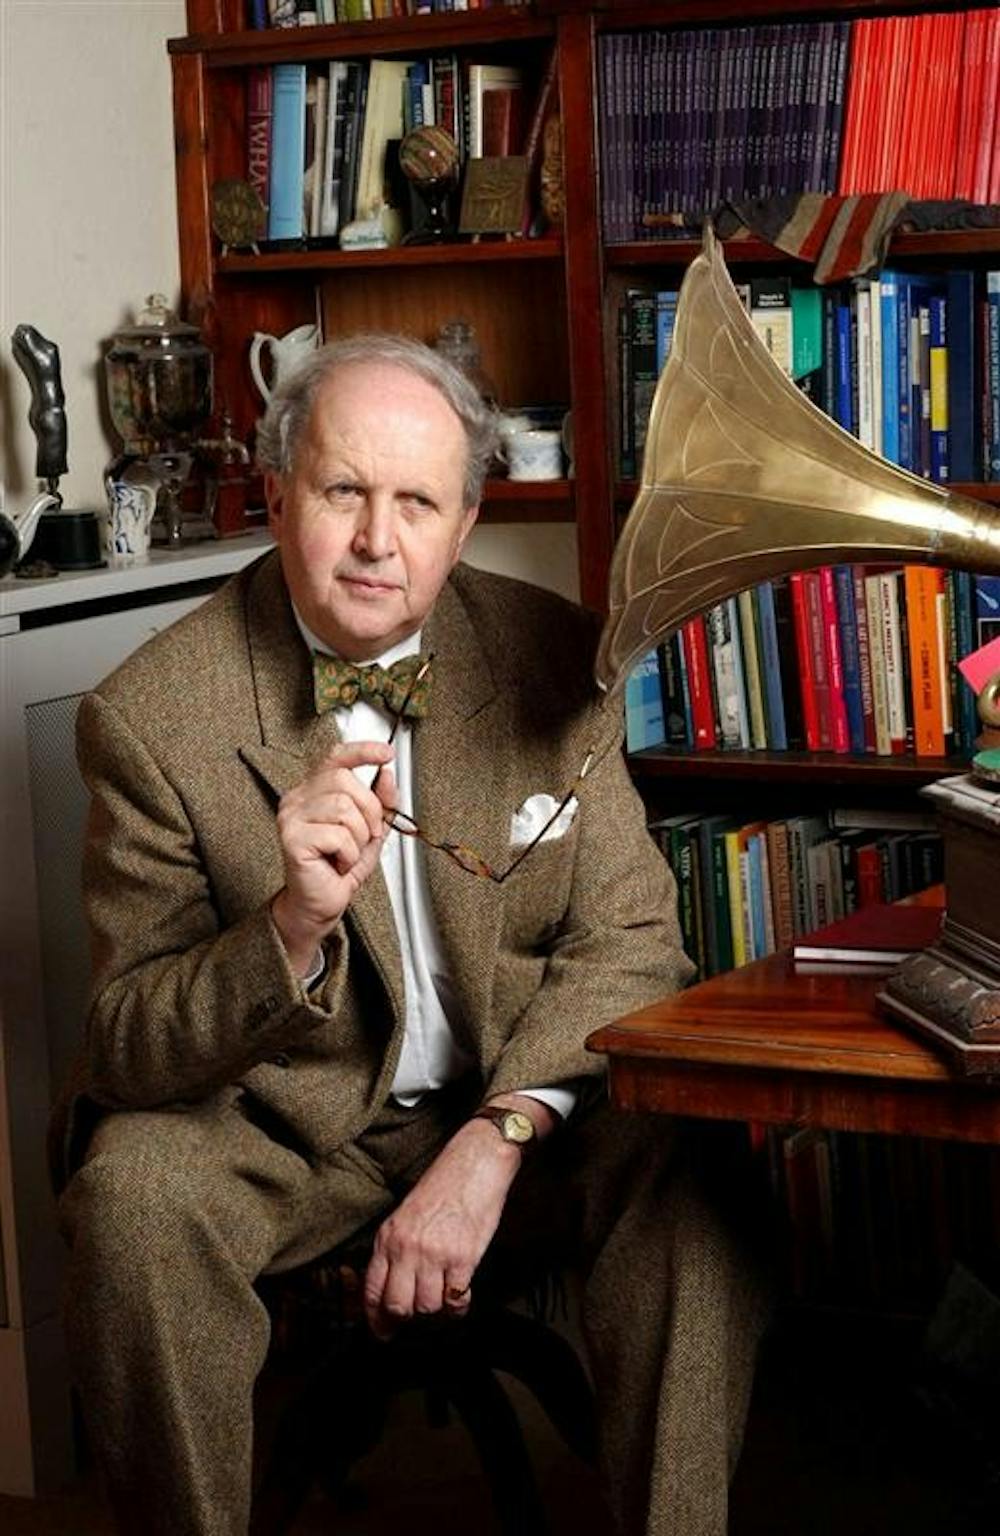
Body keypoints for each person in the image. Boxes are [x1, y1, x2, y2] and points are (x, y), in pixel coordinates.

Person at [54, 334, 770, 1536]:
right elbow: (126, 1044)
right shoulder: (149, 718)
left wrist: (495, 1141)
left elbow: (636, 942)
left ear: (469, 515)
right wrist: (286, 927)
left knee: (697, 1163)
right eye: (344, 492)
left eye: (418, 502)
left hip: (510, 1107)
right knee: (129, 1205)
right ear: (277, 492)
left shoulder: (559, 655)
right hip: (285, 1132)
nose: (380, 541)